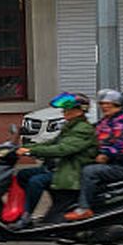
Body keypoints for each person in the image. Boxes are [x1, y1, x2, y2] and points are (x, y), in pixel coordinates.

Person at [69, 87, 123, 220]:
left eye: (107, 104)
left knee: (89, 171)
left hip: (122, 166)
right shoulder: (106, 121)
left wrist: (106, 154)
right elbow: (92, 133)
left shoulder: (122, 122)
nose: (104, 107)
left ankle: (84, 208)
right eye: (102, 104)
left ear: (117, 105)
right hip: (110, 163)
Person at [21, 92, 96, 223]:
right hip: (61, 167)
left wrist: (33, 151)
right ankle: (23, 210)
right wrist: (29, 148)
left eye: (68, 109)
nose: (64, 111)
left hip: (71, 171)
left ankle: (26, 216)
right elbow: (53, 142)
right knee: (23, 175)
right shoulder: (70, 126)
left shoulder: (83, 129)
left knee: (36, 181)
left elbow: (62, 149)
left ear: (79, 111)